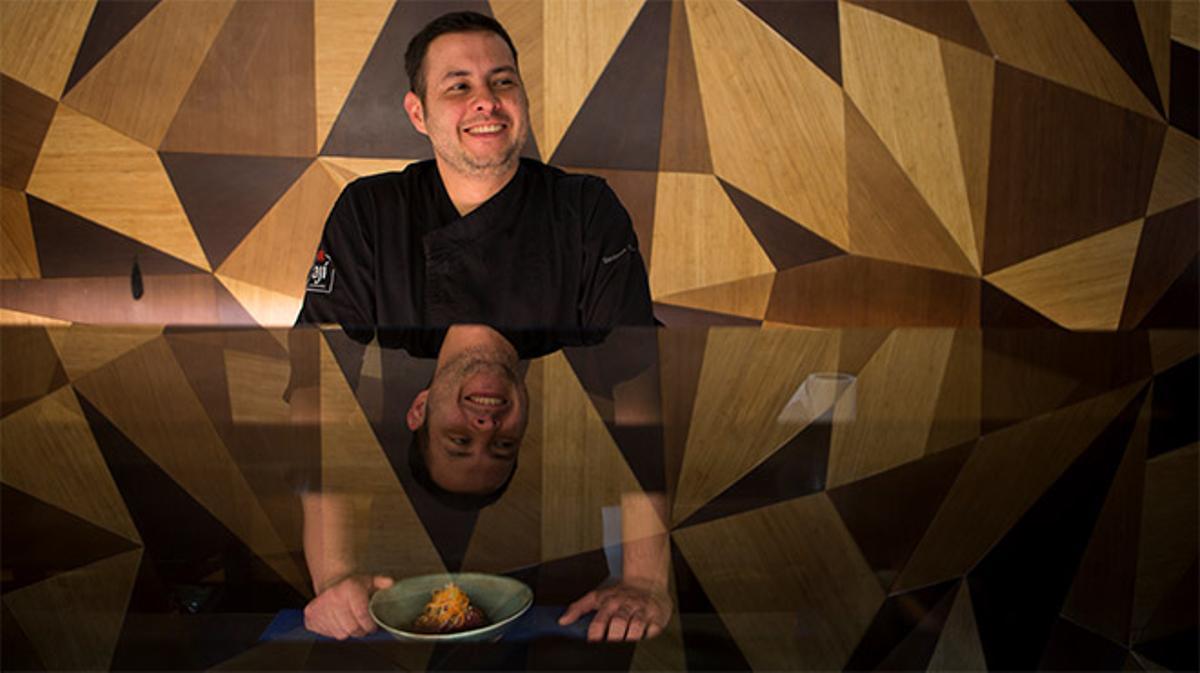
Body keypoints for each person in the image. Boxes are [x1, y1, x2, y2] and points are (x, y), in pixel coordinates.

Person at [295, 11, 668, 643]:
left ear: (420, 408)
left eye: (501, 81)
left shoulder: (584, 211)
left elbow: (638, 402)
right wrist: (332, 577)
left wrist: (648, 580)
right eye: (458, 86)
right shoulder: (371, 212)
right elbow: (317, 389)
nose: (486, 102)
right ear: (419, 114)